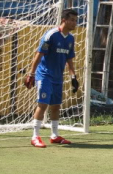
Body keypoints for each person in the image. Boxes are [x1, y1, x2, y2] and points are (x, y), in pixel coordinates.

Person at [24, 9, 79, 148]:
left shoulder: (71, 39)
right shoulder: (51, 35)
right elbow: (39, 54)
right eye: (72, 20)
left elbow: (69, 59)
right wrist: (31, 73)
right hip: (45, 75)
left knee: (56, 106)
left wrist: (73, 76)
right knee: (42, 105)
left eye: (75, 20)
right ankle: (35, 137)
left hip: (58, 77)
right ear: (64, 20)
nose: (74, 23)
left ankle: (54, 135)